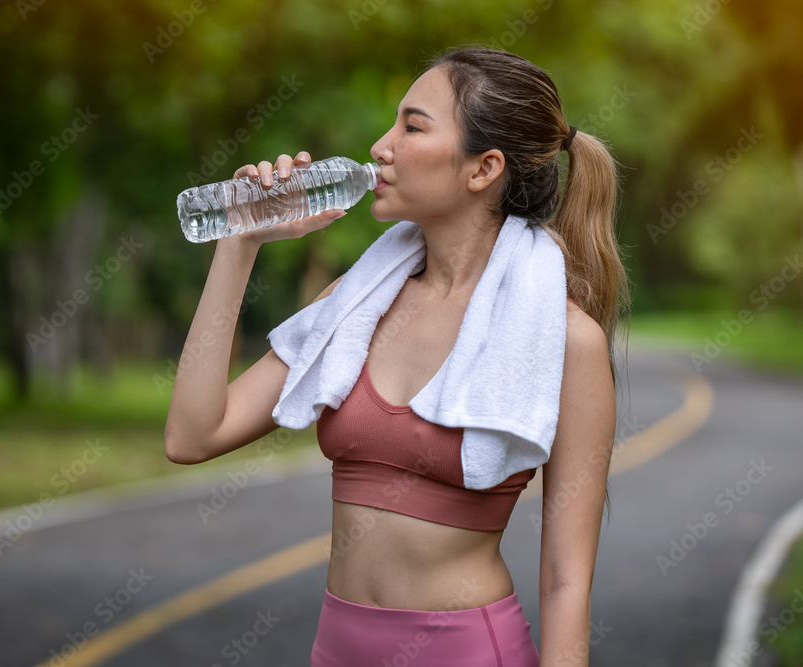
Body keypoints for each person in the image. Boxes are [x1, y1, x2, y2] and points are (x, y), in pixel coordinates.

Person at [165, 45, 630, 666]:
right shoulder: (355, 305)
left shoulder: (563, 339)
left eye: (412, 126)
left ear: (483, 168)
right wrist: (239, 241)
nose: (381, 146)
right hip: (337, 650)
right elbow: (193, 435)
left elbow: (566, 582)